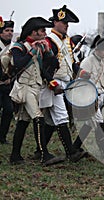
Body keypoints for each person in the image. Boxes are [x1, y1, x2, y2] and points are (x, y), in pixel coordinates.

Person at [9, 17, 64, 165]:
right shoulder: (18, 47)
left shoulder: (40, 47)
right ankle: (43, 154)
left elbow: (50, 66)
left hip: (35, 87)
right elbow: (19, 64)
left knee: (23, 122)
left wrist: (48, 53)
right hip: (24, 87)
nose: (44, 33)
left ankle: (15, 156)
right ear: (34, 32)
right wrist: (33, 50)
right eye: (42, 31)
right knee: (38, 118)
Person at [37, 5, 85, 162]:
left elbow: (70, 62)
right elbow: (43, 66)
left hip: (65, 81)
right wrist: (51, 83)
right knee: (61, 116)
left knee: (51, 120)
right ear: (56, 22)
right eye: (64, 23)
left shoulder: (67, 41)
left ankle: (40, 150)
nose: (67, 26)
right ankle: (71, 152)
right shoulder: (49, 41)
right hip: (53, 82)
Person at [72, 35, 104, 154]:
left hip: (100, 95)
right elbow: (81, 79)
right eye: (103, 49)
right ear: (97, 49)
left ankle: (75, 146)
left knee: (89, 123)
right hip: (89, 96)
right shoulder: (88, 61)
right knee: (98, 121)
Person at [0, 16, 14, 144]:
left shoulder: (14, 47)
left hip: (6, 84)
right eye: (7, 30)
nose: (10, 33)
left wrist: (10, 77)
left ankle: (2, 137)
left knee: (9, 110)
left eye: (11, 30)